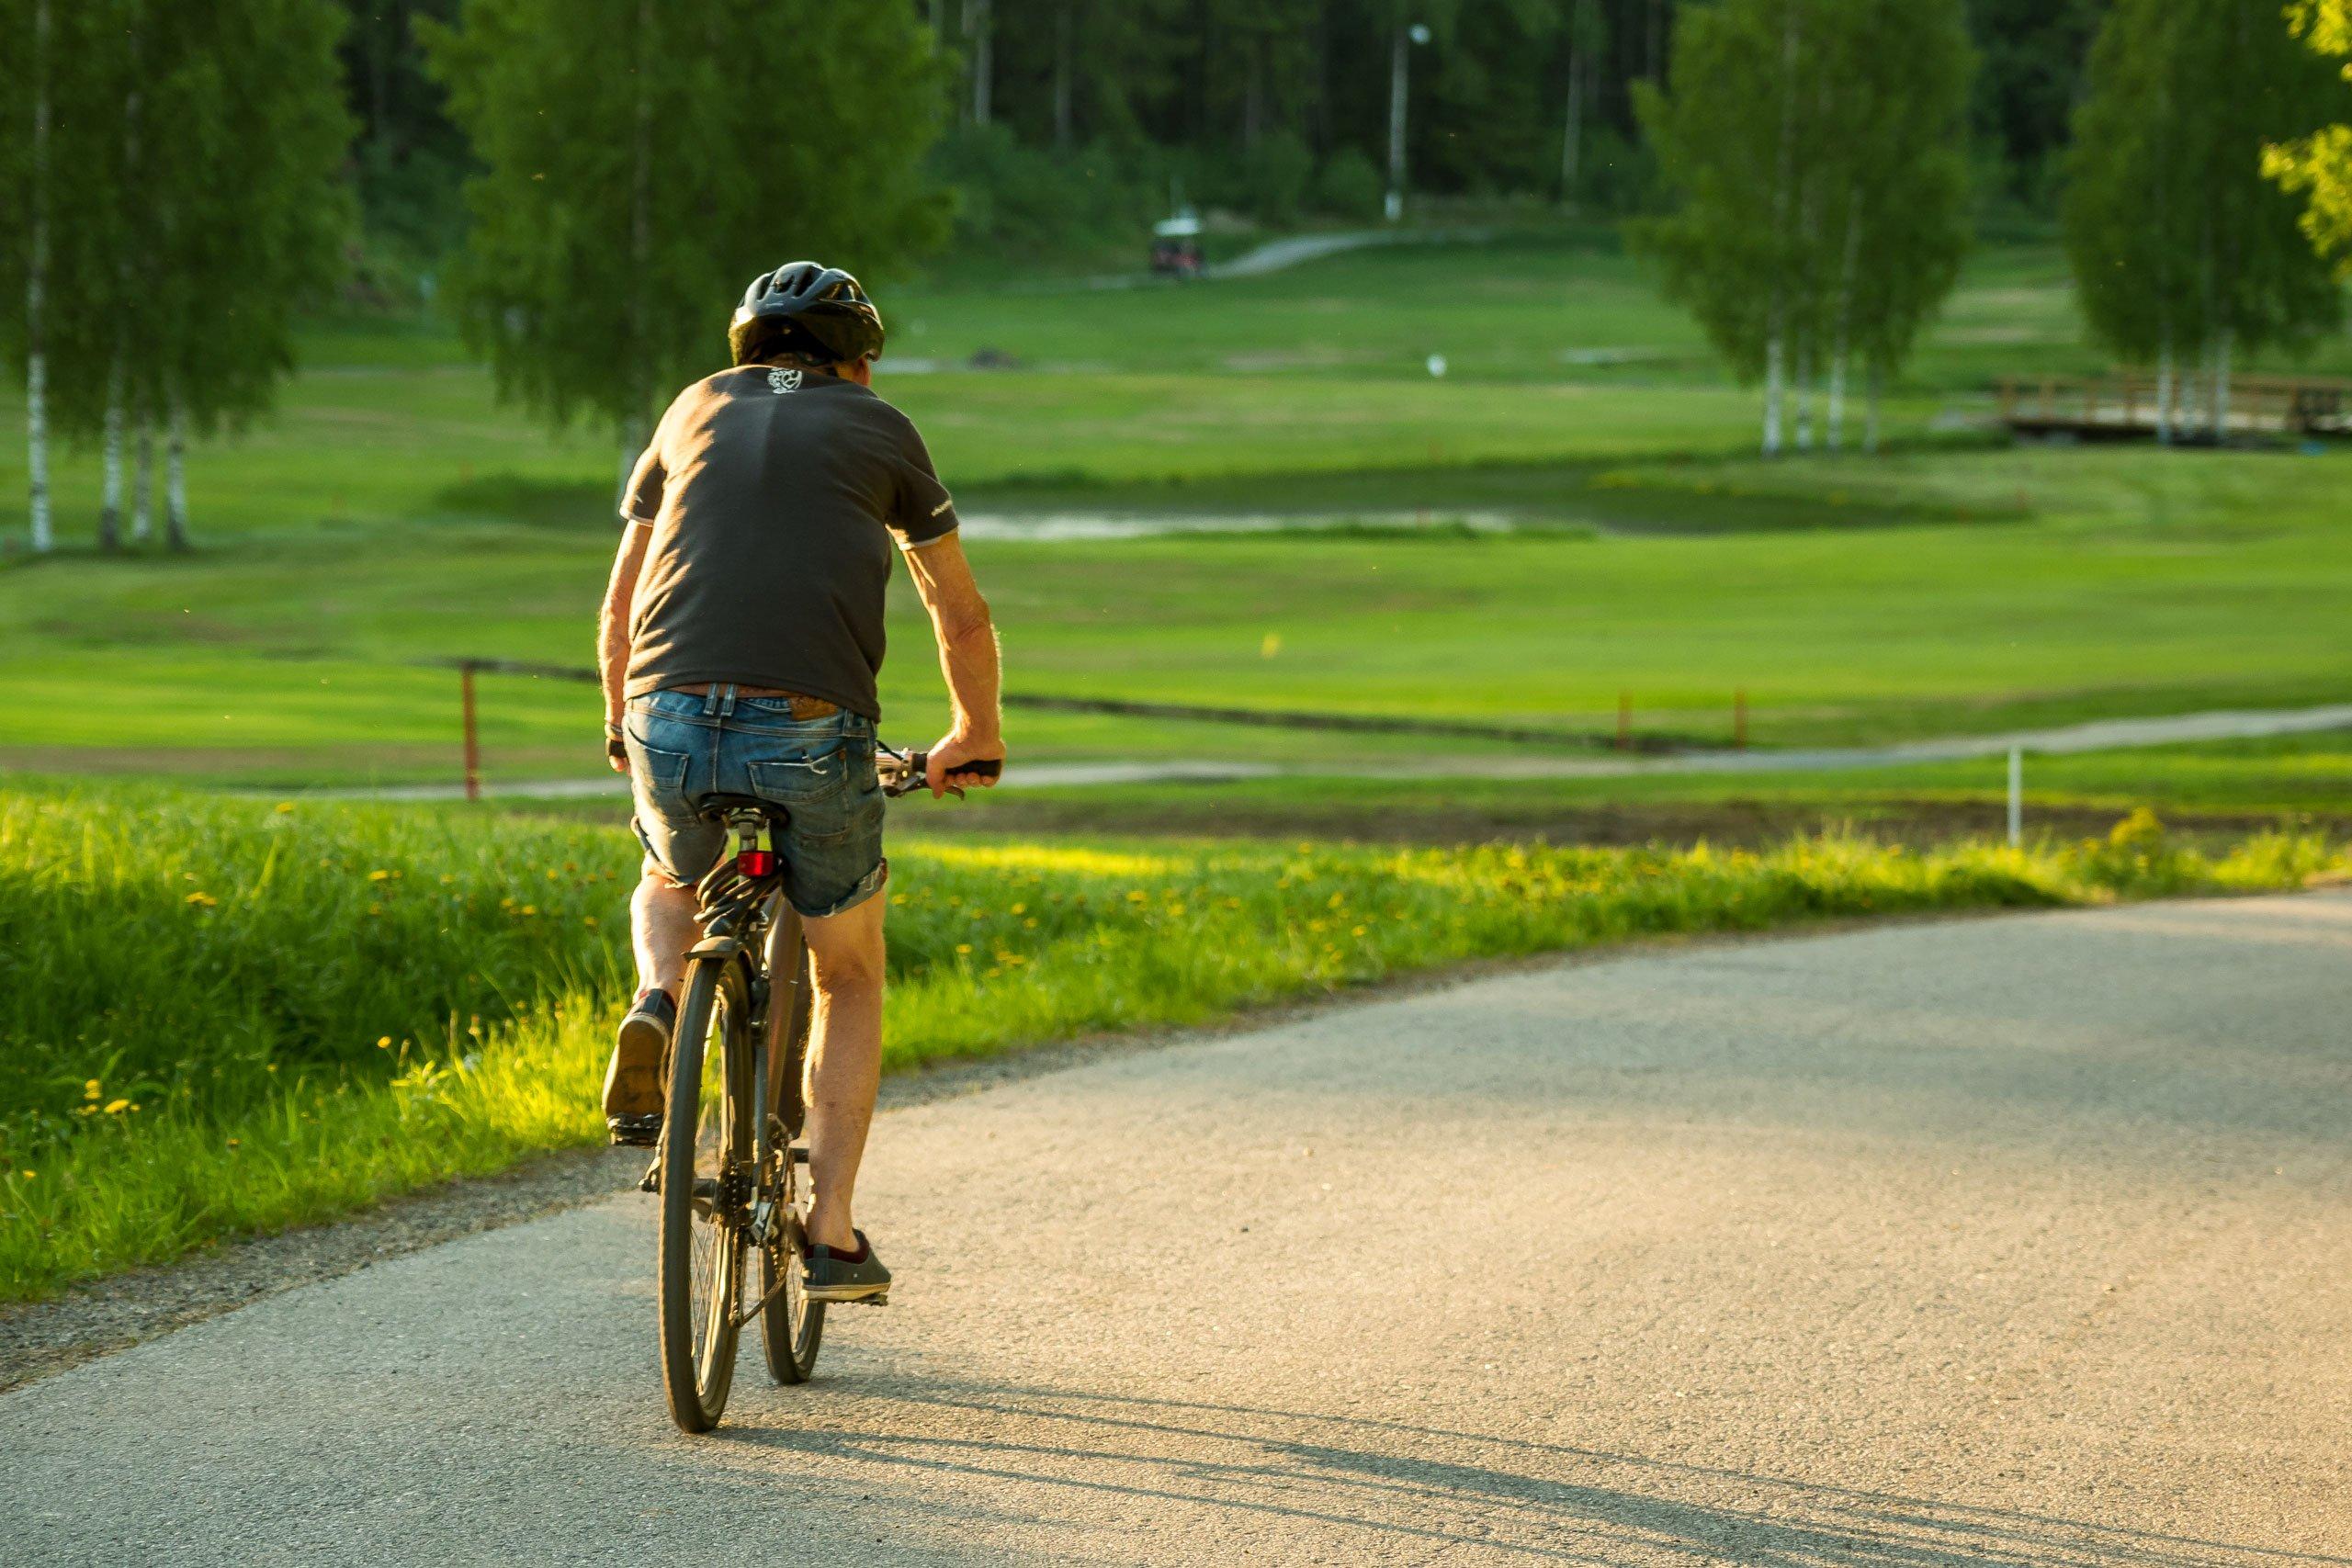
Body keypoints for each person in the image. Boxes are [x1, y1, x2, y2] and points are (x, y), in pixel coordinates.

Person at [594, 263, 1003, 1303]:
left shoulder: (690, 407)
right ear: (857, 361)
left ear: (749, 349)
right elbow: (956, 611)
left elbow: (621, 601)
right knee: (847, 973)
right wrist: (972, 736)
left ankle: (658, 994)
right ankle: (828, 1234)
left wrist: (622, 729)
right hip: (814, 726)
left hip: (668, 711)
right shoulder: (883, 428)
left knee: (666, 876)